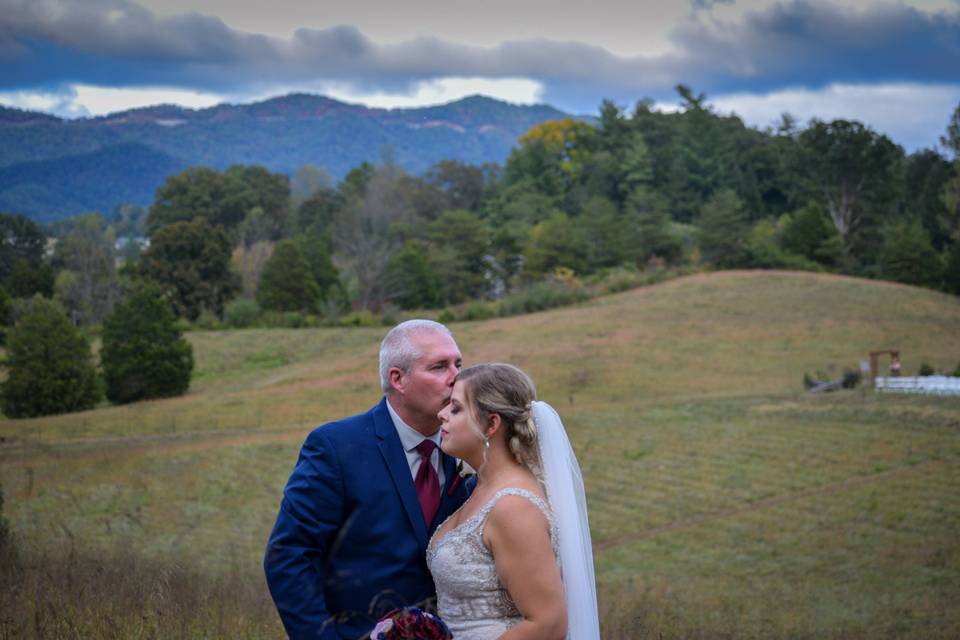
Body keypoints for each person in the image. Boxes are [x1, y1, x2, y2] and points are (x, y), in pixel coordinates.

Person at [264, 320, 472, 640]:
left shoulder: (469, 448)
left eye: (458, 363)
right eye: (439, 366)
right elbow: (290, 556)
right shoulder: (336, 447)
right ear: (397, 379)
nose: (456, 377)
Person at [428, 363, 600, 639]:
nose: (441, 414)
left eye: (456, 408)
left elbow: (549, 622)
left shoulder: (513, 507)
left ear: (492, 424)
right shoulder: (482, 489)